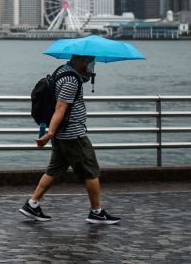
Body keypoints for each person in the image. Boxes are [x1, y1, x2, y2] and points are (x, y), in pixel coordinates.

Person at [19, 54, 120, 225]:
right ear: (82, 60)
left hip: (62, 133)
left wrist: (53, 132)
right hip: (73, 135)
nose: (92, 65)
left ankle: (32, 205)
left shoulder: (62, 71)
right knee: (91, 171)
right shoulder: (71, 80)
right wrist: (49, 133)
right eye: (90, 61)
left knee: (53, 170)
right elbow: (60, 108)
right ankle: (96, 212)